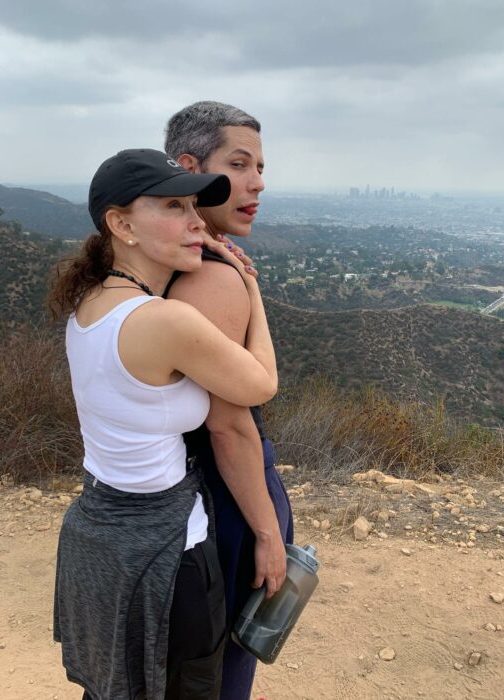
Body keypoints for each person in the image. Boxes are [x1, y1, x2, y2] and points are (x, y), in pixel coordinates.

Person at [49, 148, 279, 700]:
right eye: (175, 206)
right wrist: (251, 291)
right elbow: (260, 384)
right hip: (167, 556)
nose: (197, 222)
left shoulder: (89, 302)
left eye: (194, 206)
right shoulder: (166, 320)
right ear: (121, 224)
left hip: (98, 537)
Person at [164, 101, 294, 699]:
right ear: (191, 168)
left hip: (188, 492)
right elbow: (229, 425)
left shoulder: (168, 263)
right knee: (223, 662)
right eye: (239, 164)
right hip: (227, 494)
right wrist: (268, 532)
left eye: (260, 166)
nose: (258, 182)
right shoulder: (213, 277)